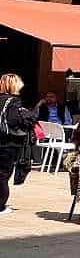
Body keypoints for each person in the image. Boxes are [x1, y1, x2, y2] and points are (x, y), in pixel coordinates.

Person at [0, 74, 38, 216]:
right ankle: (0, 205)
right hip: (8, 143)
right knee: (3, 174)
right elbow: (15, 121)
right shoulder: (13, 101)